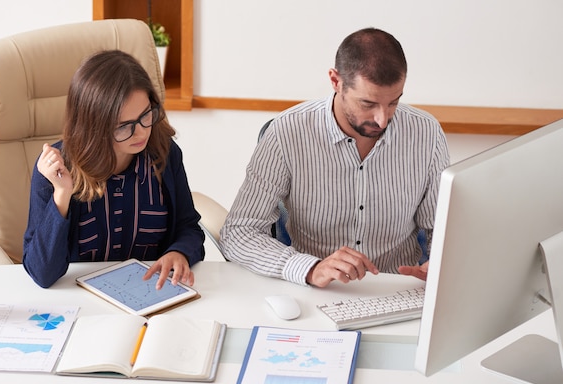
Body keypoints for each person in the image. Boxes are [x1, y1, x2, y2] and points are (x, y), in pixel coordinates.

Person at [219, 28, 450, 288]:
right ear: (335, 81)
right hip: (317, 293)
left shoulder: (426, 133)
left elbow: (443, 229)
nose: (382, 119)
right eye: (368, 104)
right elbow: (239, 232)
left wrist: (444, 261)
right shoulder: (287, 132)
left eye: (393, 103)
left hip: (399, 289)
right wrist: (309, 268)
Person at [23, 50, 205, 289]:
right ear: (93, 127)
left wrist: (179, 252)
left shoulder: (164, 153)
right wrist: (61, 195)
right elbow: (42, 273)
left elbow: (188, 227)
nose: (141, 132)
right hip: (83, 301)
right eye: (124, 126)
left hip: (150, 293)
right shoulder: (57, 169)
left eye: (145, 115)